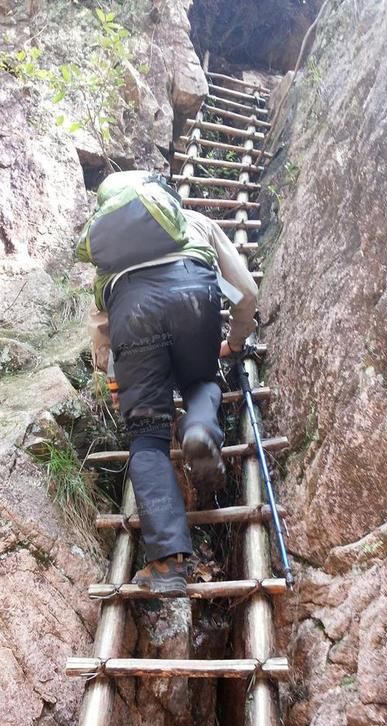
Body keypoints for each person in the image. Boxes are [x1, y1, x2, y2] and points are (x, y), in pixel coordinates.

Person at [87, 181, 258, 596]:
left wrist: (113, 380)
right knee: (200, 380)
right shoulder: (195, 221)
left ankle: (167, 562)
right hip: (193, 298)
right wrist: (234, 342)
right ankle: (200, 429)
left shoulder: (112, 253)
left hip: (132, 314)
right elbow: (246, 293)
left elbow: (101, 327)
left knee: (147, 439)